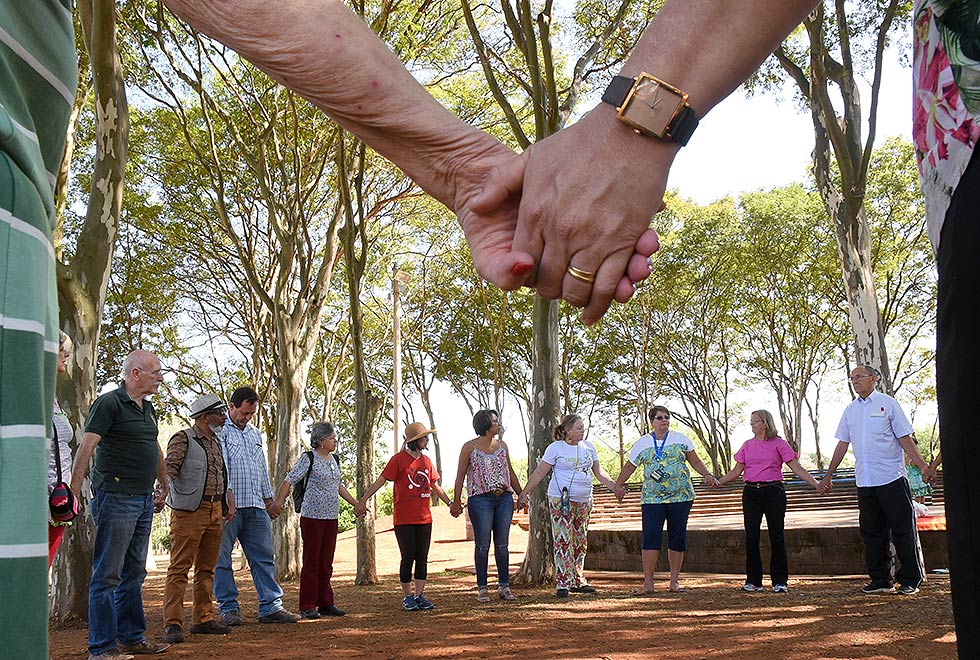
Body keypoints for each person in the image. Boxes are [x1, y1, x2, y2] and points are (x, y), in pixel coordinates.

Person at [67, 350, 170, 660]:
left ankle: (132, 637)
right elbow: (86, 447)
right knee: (108, 575)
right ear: (135, 373)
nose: (160, 378)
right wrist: (74, 489)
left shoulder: (148, 409)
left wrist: (164, 484)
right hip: (115, 496)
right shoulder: (109, 403)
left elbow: (154, 447)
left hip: (142, 498)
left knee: (135, 573)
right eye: (155, 372)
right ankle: (101, 649)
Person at [818, 366, 931, 596]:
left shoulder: (888, 404)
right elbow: (842, 444)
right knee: (872, 532)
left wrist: (922, 465)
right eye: (852, 378)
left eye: (859, 376)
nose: (854, 381)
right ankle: (881, 580)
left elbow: (904, 438)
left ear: (873, 378)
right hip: (865, 481)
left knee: (902, 530)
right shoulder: (850, 410)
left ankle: (910, 579)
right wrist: (828, 474)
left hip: (891, 477)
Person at [214, 386, 300, 625]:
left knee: (263, 557)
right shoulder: (220, 432)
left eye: (251, 413)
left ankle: (271, 607)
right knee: (222, 560)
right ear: (231, 407)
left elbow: (262, 468)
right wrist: (226, 499)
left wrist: (269, 499)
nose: (247, 417)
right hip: (228, 508)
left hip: (255, 505)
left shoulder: (254, 433)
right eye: (244, 412)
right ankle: (228, 608)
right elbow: (222, 469)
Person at [612, 406, 719, 594]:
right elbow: (630, 467)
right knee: (650, 537)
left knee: (677, 536)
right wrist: (618, 486)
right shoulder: (642, 443)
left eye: (667, 417)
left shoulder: (681, 439)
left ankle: (674, 582)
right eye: (660, 418)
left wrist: (707, 475)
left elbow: (695, 461)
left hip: (681, 496)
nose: (664, 421)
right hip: (652, 499)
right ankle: (648, 584)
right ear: (651, 422)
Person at [717, 409, 821, 593]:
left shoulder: (779, 444)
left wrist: (816, 483)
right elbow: (735, 472)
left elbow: (796, 467)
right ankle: (753, 581)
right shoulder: (747, 445)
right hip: (751, 492)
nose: (752, 425)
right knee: (751, 536)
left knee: (777, 535)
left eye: (755, 421)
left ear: (765, 423)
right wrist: (718, 482)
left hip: (773, 491)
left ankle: (780, 581)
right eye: (751, 422)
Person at [162, 394, 236, 644]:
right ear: (205, 417)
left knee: (207, 568)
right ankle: (172, 623)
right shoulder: (183, 438)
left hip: (215, 510)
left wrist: (226, 503)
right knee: (179, 568)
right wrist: (163, 494)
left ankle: (203, 619)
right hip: (188, 513)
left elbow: (220, 475)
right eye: (219, 413)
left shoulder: (216, 441)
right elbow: (168, 470)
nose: (224, 417)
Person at [517, 414, 618, 598]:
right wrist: (525, 492)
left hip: (584, 499)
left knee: (580, 540)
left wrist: (614, 486)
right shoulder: (556, 448)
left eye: (583, 427)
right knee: (563, 539)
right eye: (579, 428)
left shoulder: (589, 447)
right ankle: (563, 582)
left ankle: (578, 579)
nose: (582, 430)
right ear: (567, 431)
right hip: (560, 499)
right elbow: (540, 472)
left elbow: (598, 472)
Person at [356, 422, 452, 611]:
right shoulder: (398, 460)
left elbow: (435, 486)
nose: (426, 440)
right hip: (404, 519)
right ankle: (407, 596)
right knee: (407, 556)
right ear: (415, 440)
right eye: (424, 437)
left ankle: (419, 595)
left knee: (422, 557)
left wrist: (450, 503)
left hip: (424, 518)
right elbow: (381, 480)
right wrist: (363, 500)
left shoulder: (426, 461)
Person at [272, 422, 357, 619]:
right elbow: (289, 480)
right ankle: (307, 605)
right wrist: (278, 502)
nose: (335, 440)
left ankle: (326, 602)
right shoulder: (308, 459)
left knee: (326, 562)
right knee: (312, 561)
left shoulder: (334, 459)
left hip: (331, 517)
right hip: (312, 517)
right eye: (331, 438)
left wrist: (356, 503)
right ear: (320, 441)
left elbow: (339, 486)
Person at [449, 410, 524, 603]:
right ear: (485, 425)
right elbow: (460, 476)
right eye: (494, 421)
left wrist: (521, 493)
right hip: (480, 499)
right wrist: (456, 501)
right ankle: (482, 588)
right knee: (482, 545)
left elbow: (511, 472)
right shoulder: (469, 447)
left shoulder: (502, 446)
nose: (498, 424)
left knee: (502, 545)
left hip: (504, 499)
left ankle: (504, 586)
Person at [48, 333, 75, 567]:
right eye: (60, 348)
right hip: (34, 503)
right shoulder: (27, 393)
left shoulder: (51, 396)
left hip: (57, 501)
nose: (66, 354)